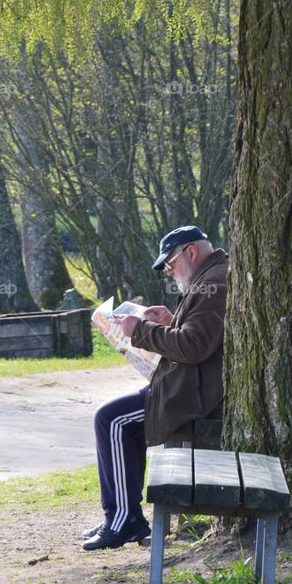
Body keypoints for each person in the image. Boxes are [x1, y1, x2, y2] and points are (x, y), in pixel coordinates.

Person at [82, 224, 229, 551]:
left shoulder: (215, 282)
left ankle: (123, 520)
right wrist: (171, 320)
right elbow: (203, 334)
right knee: (113, 419)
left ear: (190, 252)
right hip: (193, 389)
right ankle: (123, 515)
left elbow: (194, 346)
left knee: (112, 420)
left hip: (197, 396)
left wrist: (142, 330)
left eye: (169, 264)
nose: (168, 272)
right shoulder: (212, 276)